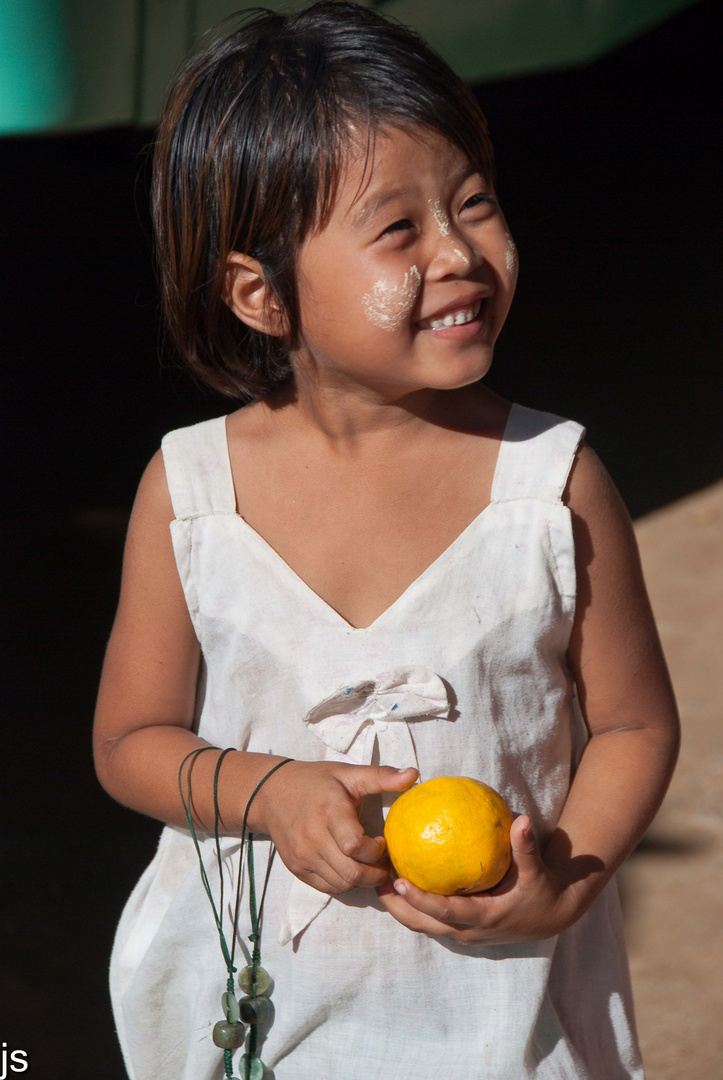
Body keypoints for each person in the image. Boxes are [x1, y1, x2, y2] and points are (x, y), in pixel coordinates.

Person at [93, 4, 680, 1078]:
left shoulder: (551, 486)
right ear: (261, 295)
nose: (460, 253)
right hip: (260, 1013)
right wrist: (266, 791)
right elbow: (131, 741)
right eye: (399, 230)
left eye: (474, 203)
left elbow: (636, 725)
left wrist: (570, 881)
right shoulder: (190, 494)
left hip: (503, 1016)